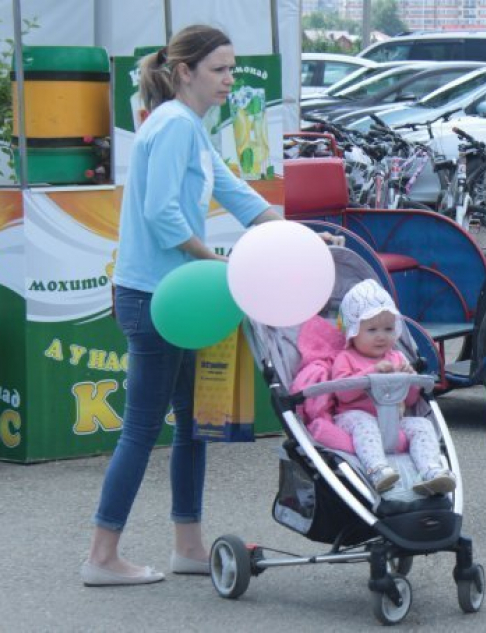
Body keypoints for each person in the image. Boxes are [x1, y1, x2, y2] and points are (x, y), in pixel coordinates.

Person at [81, 25, 340, 587]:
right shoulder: (174, 126)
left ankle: (189, 546)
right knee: (143, 428)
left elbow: (240, 197)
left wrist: (304, 239)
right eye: (219, 69)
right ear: (184, 73)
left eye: (230, 68)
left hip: (180, 296)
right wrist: (220, 265)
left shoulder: (189, 128)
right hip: (159, 297)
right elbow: (163, 217)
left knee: (193, 428)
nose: (229, 79)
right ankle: (102, 557)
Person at [332, 279, 456, 495]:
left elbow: (408, 402)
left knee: (422, 425)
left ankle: (431, 471)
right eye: (372, 330)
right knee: (364, 425)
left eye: (388, 329)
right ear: (353, 332)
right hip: (354, 418)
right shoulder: (346, 358)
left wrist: (410, 381)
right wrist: (370, 374)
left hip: (392, 422)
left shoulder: (397, 356)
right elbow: (342, 394)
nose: (381, 336)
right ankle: (377, 470)